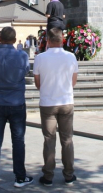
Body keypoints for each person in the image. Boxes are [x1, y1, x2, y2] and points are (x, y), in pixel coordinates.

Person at [0, 27, 33, 189]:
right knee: (18, 140)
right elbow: (26, 71)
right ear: (14, 39)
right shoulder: (22, 55)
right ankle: (20, 176)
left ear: (0, 38)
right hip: (16, 102)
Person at [33, 28, 78, 187]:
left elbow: (37, 83)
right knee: (67, 139)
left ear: (48, 41)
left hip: (48, 103)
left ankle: (48, 176)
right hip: (66, 101)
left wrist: (47, 90)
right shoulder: (71, 56)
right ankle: (69, 174)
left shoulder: (40, 58)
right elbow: (73, 81)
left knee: (49, 139)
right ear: (62, 40)